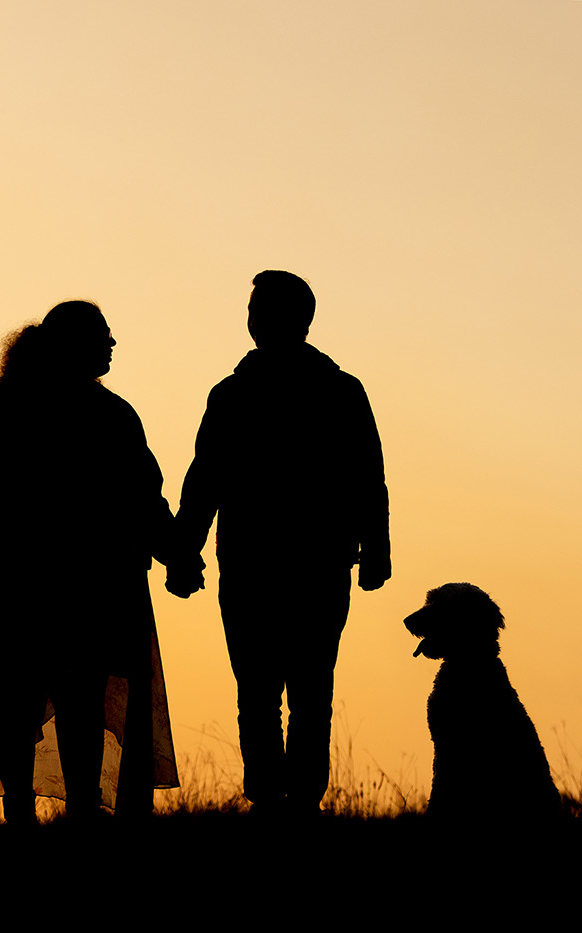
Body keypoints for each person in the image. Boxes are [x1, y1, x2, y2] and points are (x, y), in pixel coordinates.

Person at [0, 301, 178, 825]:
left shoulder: (64, 411)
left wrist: (175, 550)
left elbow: (142, 497)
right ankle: (47, 813)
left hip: (48, 584)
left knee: (53, 701)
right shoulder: (75, 413)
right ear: (74, 343)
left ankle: (50, 814)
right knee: (54, 701)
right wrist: (177, 552)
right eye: (103, 336)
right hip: (60, 584)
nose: (112, 345)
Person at [167, 270, 390, 816]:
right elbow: (205, 479)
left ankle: (290, 799)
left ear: (295, 319)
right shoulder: (247, 392)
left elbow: (367, 476)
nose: (253, 319)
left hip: (293, 564)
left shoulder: (328, 391)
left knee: (289, 690)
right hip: (269, 564)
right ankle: (278, 799)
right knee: (277, 690)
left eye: (261, 309)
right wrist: (183, 550)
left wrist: (376, 549)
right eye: (253, 309)